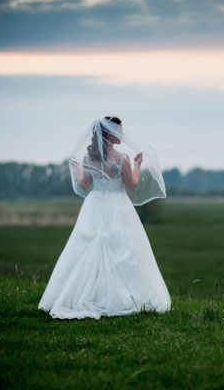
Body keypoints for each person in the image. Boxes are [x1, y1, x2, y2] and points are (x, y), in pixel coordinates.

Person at [38, 116, 170, 319]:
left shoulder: (89, 158)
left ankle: (82, 296)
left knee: (86, 249)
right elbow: (132, 185)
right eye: (118, 131)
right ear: (109, 134)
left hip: (94, 206)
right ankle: (120, 298)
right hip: (118, 206)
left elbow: (84, 185)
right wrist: (137, 165)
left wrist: (79, 168)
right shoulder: (123, 158)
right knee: (122, 249)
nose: (122, 135)